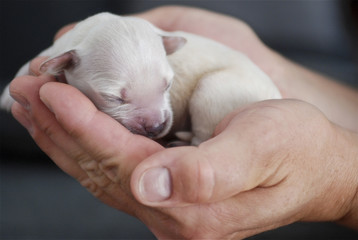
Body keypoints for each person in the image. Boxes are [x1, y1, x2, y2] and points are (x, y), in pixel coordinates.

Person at [7, 6, 358, 239]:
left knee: (213, 90)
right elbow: (35, 69)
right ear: (66, 63)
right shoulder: (75, 50)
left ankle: (204, 140)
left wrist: (346, 190)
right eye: (118, 97)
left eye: (165, 87)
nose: (155, 119)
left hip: (238, 90)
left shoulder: (157, 46)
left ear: (167, 49)